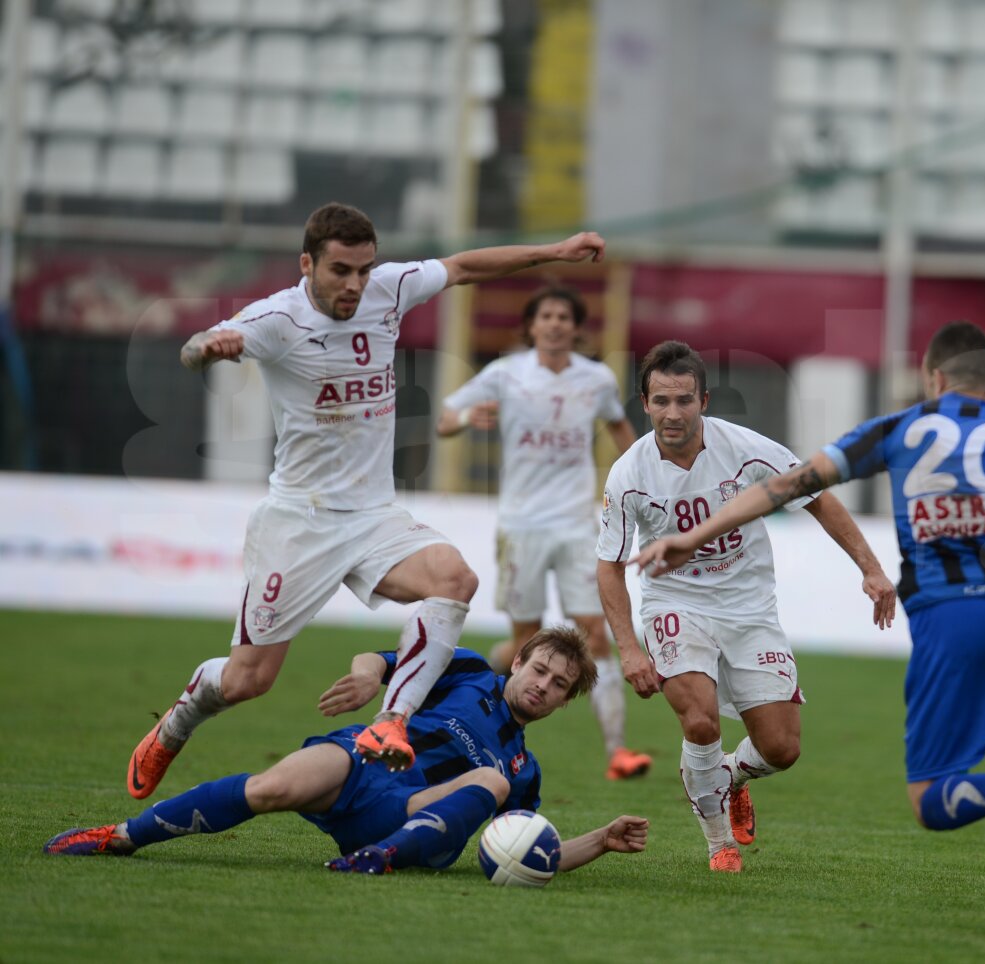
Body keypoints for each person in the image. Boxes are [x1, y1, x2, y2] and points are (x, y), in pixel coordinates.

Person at [632, 323, 985, 939]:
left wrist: (693, 536)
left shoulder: (902, 429)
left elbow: (791, 485)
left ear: (933, 377)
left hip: (951, 615)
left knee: (932, 799)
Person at [126, 202, 608, 802]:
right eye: (340, 270)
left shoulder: (389, 288)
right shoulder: (277, 318)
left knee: (455, 579)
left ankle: (391, 721)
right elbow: (198, 345)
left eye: (364, 269)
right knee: (248, 680)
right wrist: (206, 346)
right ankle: (175, 726)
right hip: (300, 522)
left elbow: (463, 266)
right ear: (308, 264)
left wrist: (554, 251)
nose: (355, 284)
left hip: (375, 515)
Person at [595, 341, 896, 873]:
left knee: (781, 749)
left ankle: (730, 776)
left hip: (749, 608)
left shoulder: (747, 449)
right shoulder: (628, 474)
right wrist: (629, 649)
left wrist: (870, 568)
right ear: (644, 403)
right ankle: (719, 845)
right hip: (674, 602)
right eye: (661, 400)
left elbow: (819, 496)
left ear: (704, 401)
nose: (672, 413)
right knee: (700, 721)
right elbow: (610, 566)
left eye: (684, 400)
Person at [46, 627, 650, 876]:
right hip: (365, 765)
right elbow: (376, 659)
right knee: (269, 788)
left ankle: (379, 858)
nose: (543, 686)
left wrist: (601, 839)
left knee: (491, 784)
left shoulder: (522, 769)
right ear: (517, 661)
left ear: (564, 701)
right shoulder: (467, 669)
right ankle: (122, 836)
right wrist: (366, 678)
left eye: (558, 685)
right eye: (539, 670)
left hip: (409, 814)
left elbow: (529, 848)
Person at [436, 284, 650, 781]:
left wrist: (644, 474)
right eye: (546, 316)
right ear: (531, 326)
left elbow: (620, 429)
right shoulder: (505, 373)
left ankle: (618, 750)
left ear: (576, 328)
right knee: (526, 644)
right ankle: (475, 684)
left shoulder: (595, 378)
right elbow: (445, 419)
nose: (554, 324)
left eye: (563, 317)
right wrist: (467, 416)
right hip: (521, 527)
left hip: (577, 524)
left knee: (594, 631)